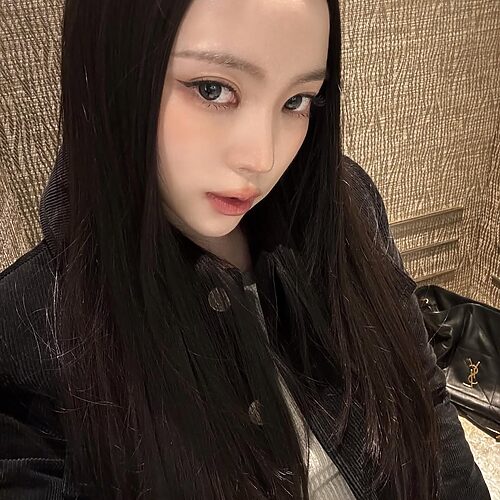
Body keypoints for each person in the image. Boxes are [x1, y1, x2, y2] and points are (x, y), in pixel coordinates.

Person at [0, 0, 491, 499]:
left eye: (297, 100)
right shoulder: (27, 329)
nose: (264, 157)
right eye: (212, 89)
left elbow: (425, 403)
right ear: (106, 70)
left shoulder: (346, 203)